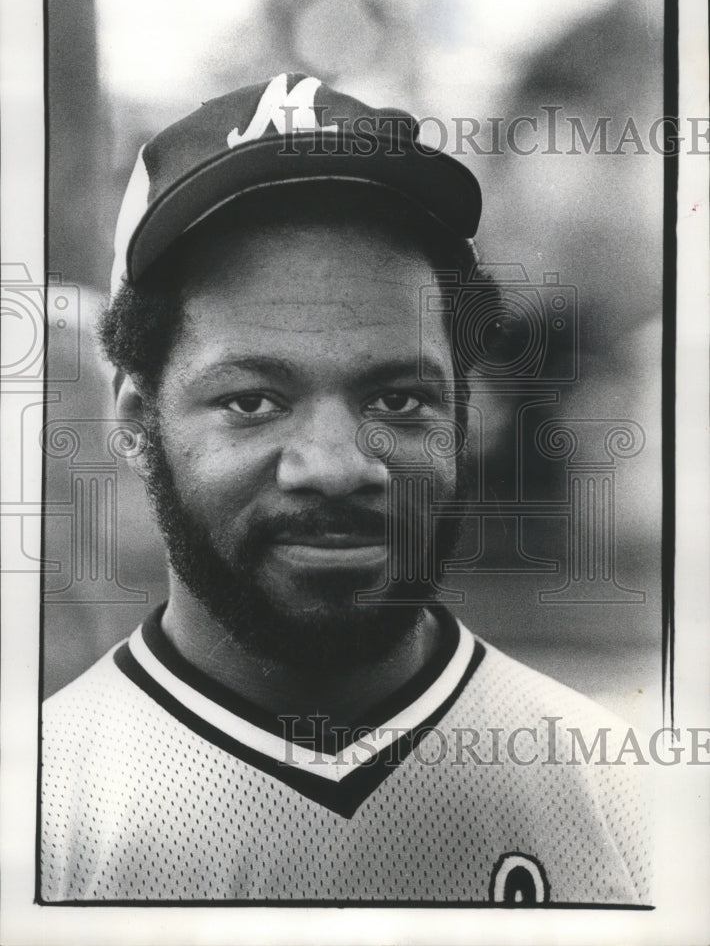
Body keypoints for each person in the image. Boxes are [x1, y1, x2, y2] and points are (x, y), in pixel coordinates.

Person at [41, 73, 650, 904]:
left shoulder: (626, 808)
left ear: (462, 415)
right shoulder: (35, 812)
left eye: (397, 399)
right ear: (139, 421)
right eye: (252, 401)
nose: (333, 464)